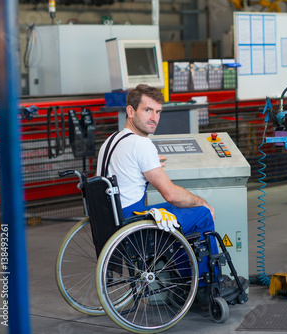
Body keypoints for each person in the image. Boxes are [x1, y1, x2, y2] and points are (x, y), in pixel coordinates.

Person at [96, 84, 244, 294]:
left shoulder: (111, 141)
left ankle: (187, 277)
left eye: (158, 112)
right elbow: (171, 194)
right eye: (147, 110)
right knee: (201, 214)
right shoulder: (142, 144)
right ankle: (205, 285)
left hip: (112, 223)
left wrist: (149, 162)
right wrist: (202, 201)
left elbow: (126, 166)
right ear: (131, 111)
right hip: (134, 228)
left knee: (177, 213)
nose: (154, 118)